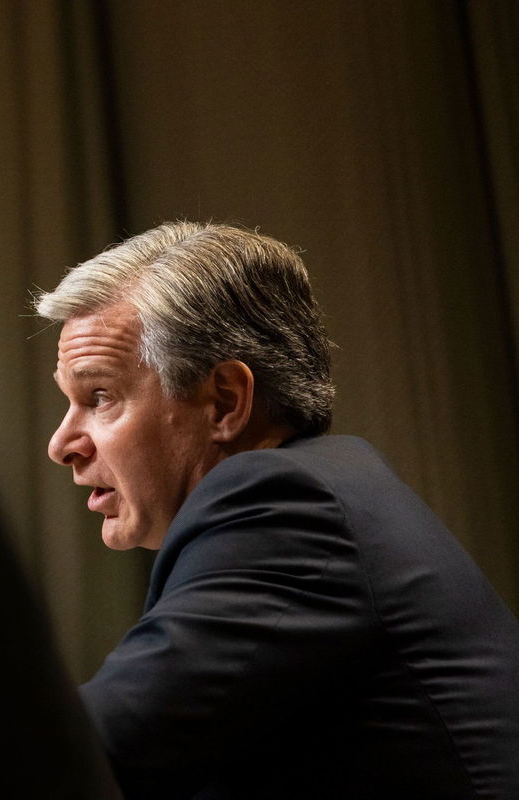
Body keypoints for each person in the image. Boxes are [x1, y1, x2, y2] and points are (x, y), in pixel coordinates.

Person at [35, 221, 519, 799]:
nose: (61, 444)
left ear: (224, 402)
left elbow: (96, 750)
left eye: (99, 396)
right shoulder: (320, 489)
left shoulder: (284, 504)